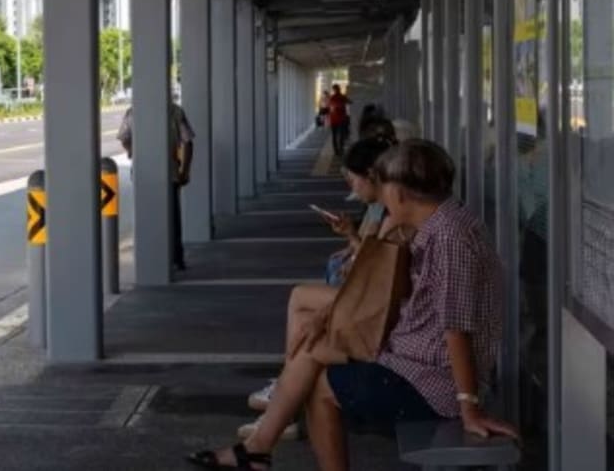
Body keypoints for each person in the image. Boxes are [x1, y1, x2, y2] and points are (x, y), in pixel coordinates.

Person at [188, 140, 515, 470]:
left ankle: (258, 449)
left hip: (433, 382)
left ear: (399, 192)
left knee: (319, 386)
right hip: (411, 355)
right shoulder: (439, 224)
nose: (382, 197)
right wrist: (329, 317)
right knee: (313, 345)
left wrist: (469, 408)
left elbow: (455, 328)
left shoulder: (449, 239)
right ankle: (257, 449)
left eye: (384, 187)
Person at [236, 136, 407, 441]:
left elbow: (381, 281)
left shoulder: (396, 218)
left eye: (353, 180)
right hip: (380, 306)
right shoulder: (394, 216)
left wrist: (468, 403)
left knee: (304, 311)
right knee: (304, 313)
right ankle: (282, 406)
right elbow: (377, 270)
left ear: (373, 175)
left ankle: (283, 402)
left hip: (384, 320)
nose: (351, 188)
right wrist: (353, 239)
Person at [117, 100, 195, 270]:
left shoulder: (133, 112)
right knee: (172, 217)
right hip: (170, 172)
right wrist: (185, 171)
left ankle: (148, 254)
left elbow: (124, 138)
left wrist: (132, 151)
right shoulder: (175, 111)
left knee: (145, 214)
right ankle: (176, 257)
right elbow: (188, 142)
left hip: (143, 174)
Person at [326, 85, 352, 156]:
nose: (337, 90)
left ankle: (337, 150)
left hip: (335, 119)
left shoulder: (333, 98)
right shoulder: (342, 97)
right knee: (340, 135)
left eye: (336, 89)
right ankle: (340, 150)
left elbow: (330, 109)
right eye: (337, 89)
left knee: (336, 135)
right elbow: (350, 102)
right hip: (340, 119)